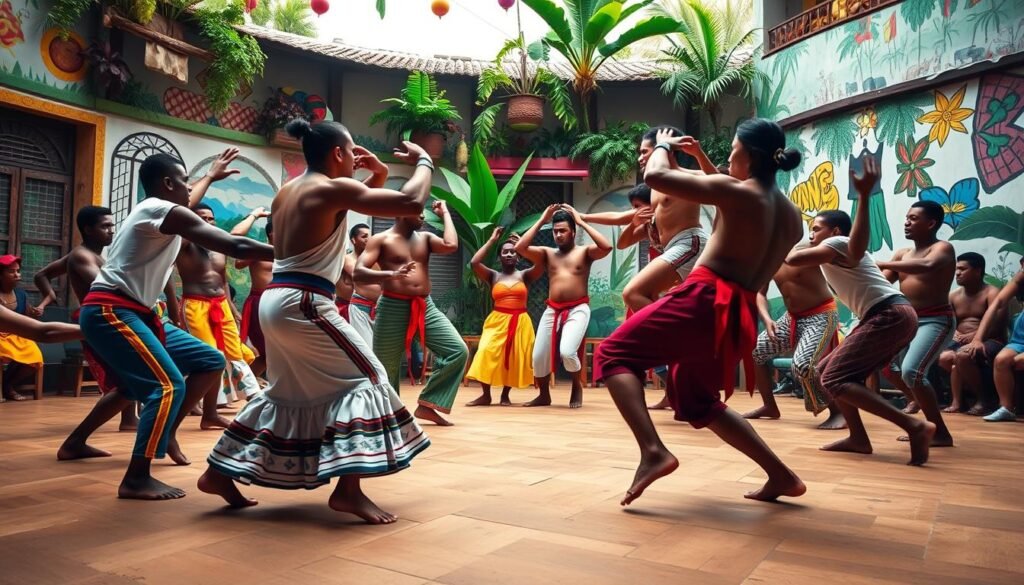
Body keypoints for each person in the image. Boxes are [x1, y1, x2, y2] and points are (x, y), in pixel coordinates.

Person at [200, 120, 432, 523]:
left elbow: (360, 199)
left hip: (278, 300)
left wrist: (376, 173)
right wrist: (426, 161)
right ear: (339, 154)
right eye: (353, 151)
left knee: (285, 392)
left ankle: (217, 472)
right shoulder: (329, 188)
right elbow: (411, 203)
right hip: (306, 302)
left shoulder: (288, 192)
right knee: (370, 379)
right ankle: (347, 491)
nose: (357, 159)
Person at [593, 121, 807, 505]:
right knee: (697, 400)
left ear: (751, 155)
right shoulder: (791, 214)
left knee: (611, 353)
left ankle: (653, 451)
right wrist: (699, 160)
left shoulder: (738, 193)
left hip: (706, 296)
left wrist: (663, 145)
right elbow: (726, 201)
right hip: (738, 309)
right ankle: (782, 476)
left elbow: (656, 175)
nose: (728, 156)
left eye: (733, 149)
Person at [79, 152, 274, 500]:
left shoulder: (157, 210)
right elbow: (234, 243)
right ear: (168, 184)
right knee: (167, 387)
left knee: (210, 361)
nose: (190, 189)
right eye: (185, 181)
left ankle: (158, 433)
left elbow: (188, 200)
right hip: (112, 310)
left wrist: (210, 177)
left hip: (138, 313)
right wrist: (294, 254)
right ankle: (136, 478)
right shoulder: (159, 210)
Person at [786, 162, 937, 466]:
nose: (812, 234)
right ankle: (858, 438)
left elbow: (796, 258)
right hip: (886, 315)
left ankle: (915, 426)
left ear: (835, 231)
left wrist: (865, 196)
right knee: (827, 371)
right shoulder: (831, 252)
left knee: (834, 377)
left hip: (889, 314)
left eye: (816, 228)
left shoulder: (837, 243)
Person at [34, 206, 138, 457]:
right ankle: (77, 441)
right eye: (105, 226)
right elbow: (107, 289)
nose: (111, 230)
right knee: (125, 376)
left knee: (128, 372)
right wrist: (49, 295)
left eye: (112, 225)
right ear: (88, 229)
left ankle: (128, 419)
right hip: (96, 320)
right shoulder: (80, 256)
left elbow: (41, 274)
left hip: (106, 318)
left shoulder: (91, 255)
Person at [361, 200, 467, 426]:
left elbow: (451, 245)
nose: (424, 217)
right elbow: (359, 273)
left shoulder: (426, 239)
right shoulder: (381, 240)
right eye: (419, 212)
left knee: (457, 350)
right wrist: (390, 274)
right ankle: (390, 418)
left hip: (425, 306)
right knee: (385, 367)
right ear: (400, 211)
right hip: (391, 308)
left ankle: (428, 405)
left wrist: (445, 212)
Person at [515, 204, 612, 408]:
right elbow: (520, 249)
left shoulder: (585, 252)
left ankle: (577, 385)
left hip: (578, 308)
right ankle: (544, 395)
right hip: (553, 309)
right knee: (539, 355)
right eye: (555, 231)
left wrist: (581, 221)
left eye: (563, 231)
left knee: (567, 352)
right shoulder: (547, 253)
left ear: (573, 233)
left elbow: (606, 247)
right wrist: (542, 219)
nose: (558, 235)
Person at [877, 201, 956, 447]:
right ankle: (918, 410)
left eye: (913, 218)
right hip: (907, 320)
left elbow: (927, 266)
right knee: (887, 367)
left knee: (913, 371)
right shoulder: (901, 254)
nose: (906, 222)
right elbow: (880, 284)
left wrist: (885, 263)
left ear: (931, 223)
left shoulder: (942, 248)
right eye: (907, 218)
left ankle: (939, 432)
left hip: (936, 319)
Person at [177, 202, 263, 418]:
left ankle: (251, 399)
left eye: (210, 219)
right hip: (196, 305)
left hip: (221, 304)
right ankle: (191, 404)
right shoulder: (185, 244)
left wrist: (232, 308)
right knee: (209, 355)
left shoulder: (219, 246)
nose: (207, 223)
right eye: (201, 219)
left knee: (234, 352)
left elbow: (223, 278)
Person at [745, 241, 844, 429]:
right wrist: (767, 320)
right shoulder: (769, 258)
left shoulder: (807, 249)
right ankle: (769, 407)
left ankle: (838, 412)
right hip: (791, 318)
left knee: (803, 366)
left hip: (821, 314)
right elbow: (760, 293)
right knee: (755, 351)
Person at [465, 228, 542, 406]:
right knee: (485, 351)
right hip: (497, 320)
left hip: (520, 321)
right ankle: (486, 395)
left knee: (514, 357)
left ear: (518, 257)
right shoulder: (493, 276)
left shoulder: (525, 275)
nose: (509, 254)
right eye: (505, 252)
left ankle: (505, 395)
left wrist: (524, 244)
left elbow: (541, 263)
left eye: (513, 252)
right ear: (499, 257)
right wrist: (492, 240)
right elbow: (475, 262)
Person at [938, 252, 1005, 414]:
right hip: (960, 341)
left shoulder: (992, 292)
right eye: (956, 269)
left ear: (977, 271)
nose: (957, 273)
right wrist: (954, 334)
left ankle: (984, 400)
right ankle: (960, 401)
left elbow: (997, 324)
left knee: (963, 355)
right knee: (944, 358)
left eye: (962, 269)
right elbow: (948, 323)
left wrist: (975, 336)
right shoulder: (953, 295)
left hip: (991, 340)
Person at [963, 261, 1024, 422]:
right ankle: (1006, 408)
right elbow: (996, 304)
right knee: (1001, 360)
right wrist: (977, 339)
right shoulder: (1020, 277)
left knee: (1018, 361)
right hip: (1020, 336)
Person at [231, 207, 272, 377]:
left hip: (278, 304)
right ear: (272, 233)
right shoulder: (260, 249)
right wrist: (254, 215)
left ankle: (247, 387)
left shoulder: (290, 252)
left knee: (272, 355)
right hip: (259, 303)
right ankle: (245, 386)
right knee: (266, 352)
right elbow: (238, 262)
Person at [0, 255, 46, 401]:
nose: (17, 275)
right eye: (11, 271)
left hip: (15, 335)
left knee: (35, 356)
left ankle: (8, 385)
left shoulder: (21, 294)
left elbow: (26, 319)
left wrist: (34, 313)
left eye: (18, 271)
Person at [345, 224, 381, 347]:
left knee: (380, 352)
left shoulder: (375, 258)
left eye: (370, 236)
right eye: (364, 236)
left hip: (379, 309)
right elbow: (359, 275)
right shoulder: (348, 259)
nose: (368, 239)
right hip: (360, 308)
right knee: (366, 351)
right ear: (353, 240)